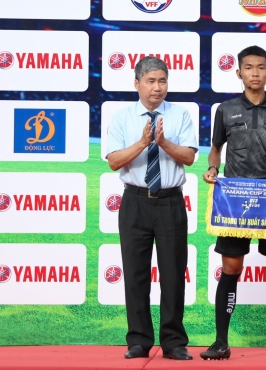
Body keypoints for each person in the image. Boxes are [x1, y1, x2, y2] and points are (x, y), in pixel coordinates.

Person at [200, 45, 266, 361]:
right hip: (234, 199)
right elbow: (216, 148)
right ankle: (221, 343)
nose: (255, 72)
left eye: (261, 67)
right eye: (249, 67)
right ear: (239, 72)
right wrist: (212, 169)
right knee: (231, 268)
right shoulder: (225, 109)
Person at [106, 56, 198, 361]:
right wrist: (143, 143)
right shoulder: (122, 118)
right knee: (135, 274)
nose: (157, 87)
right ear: (137, 83)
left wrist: (163, 142)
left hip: (171, 202)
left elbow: (189, 157)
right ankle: (138, 340)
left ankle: (173, 342)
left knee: (173, 274)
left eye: (162, 81)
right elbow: (114, 161)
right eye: (151, 81)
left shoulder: (180, 115)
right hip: (135, 201)